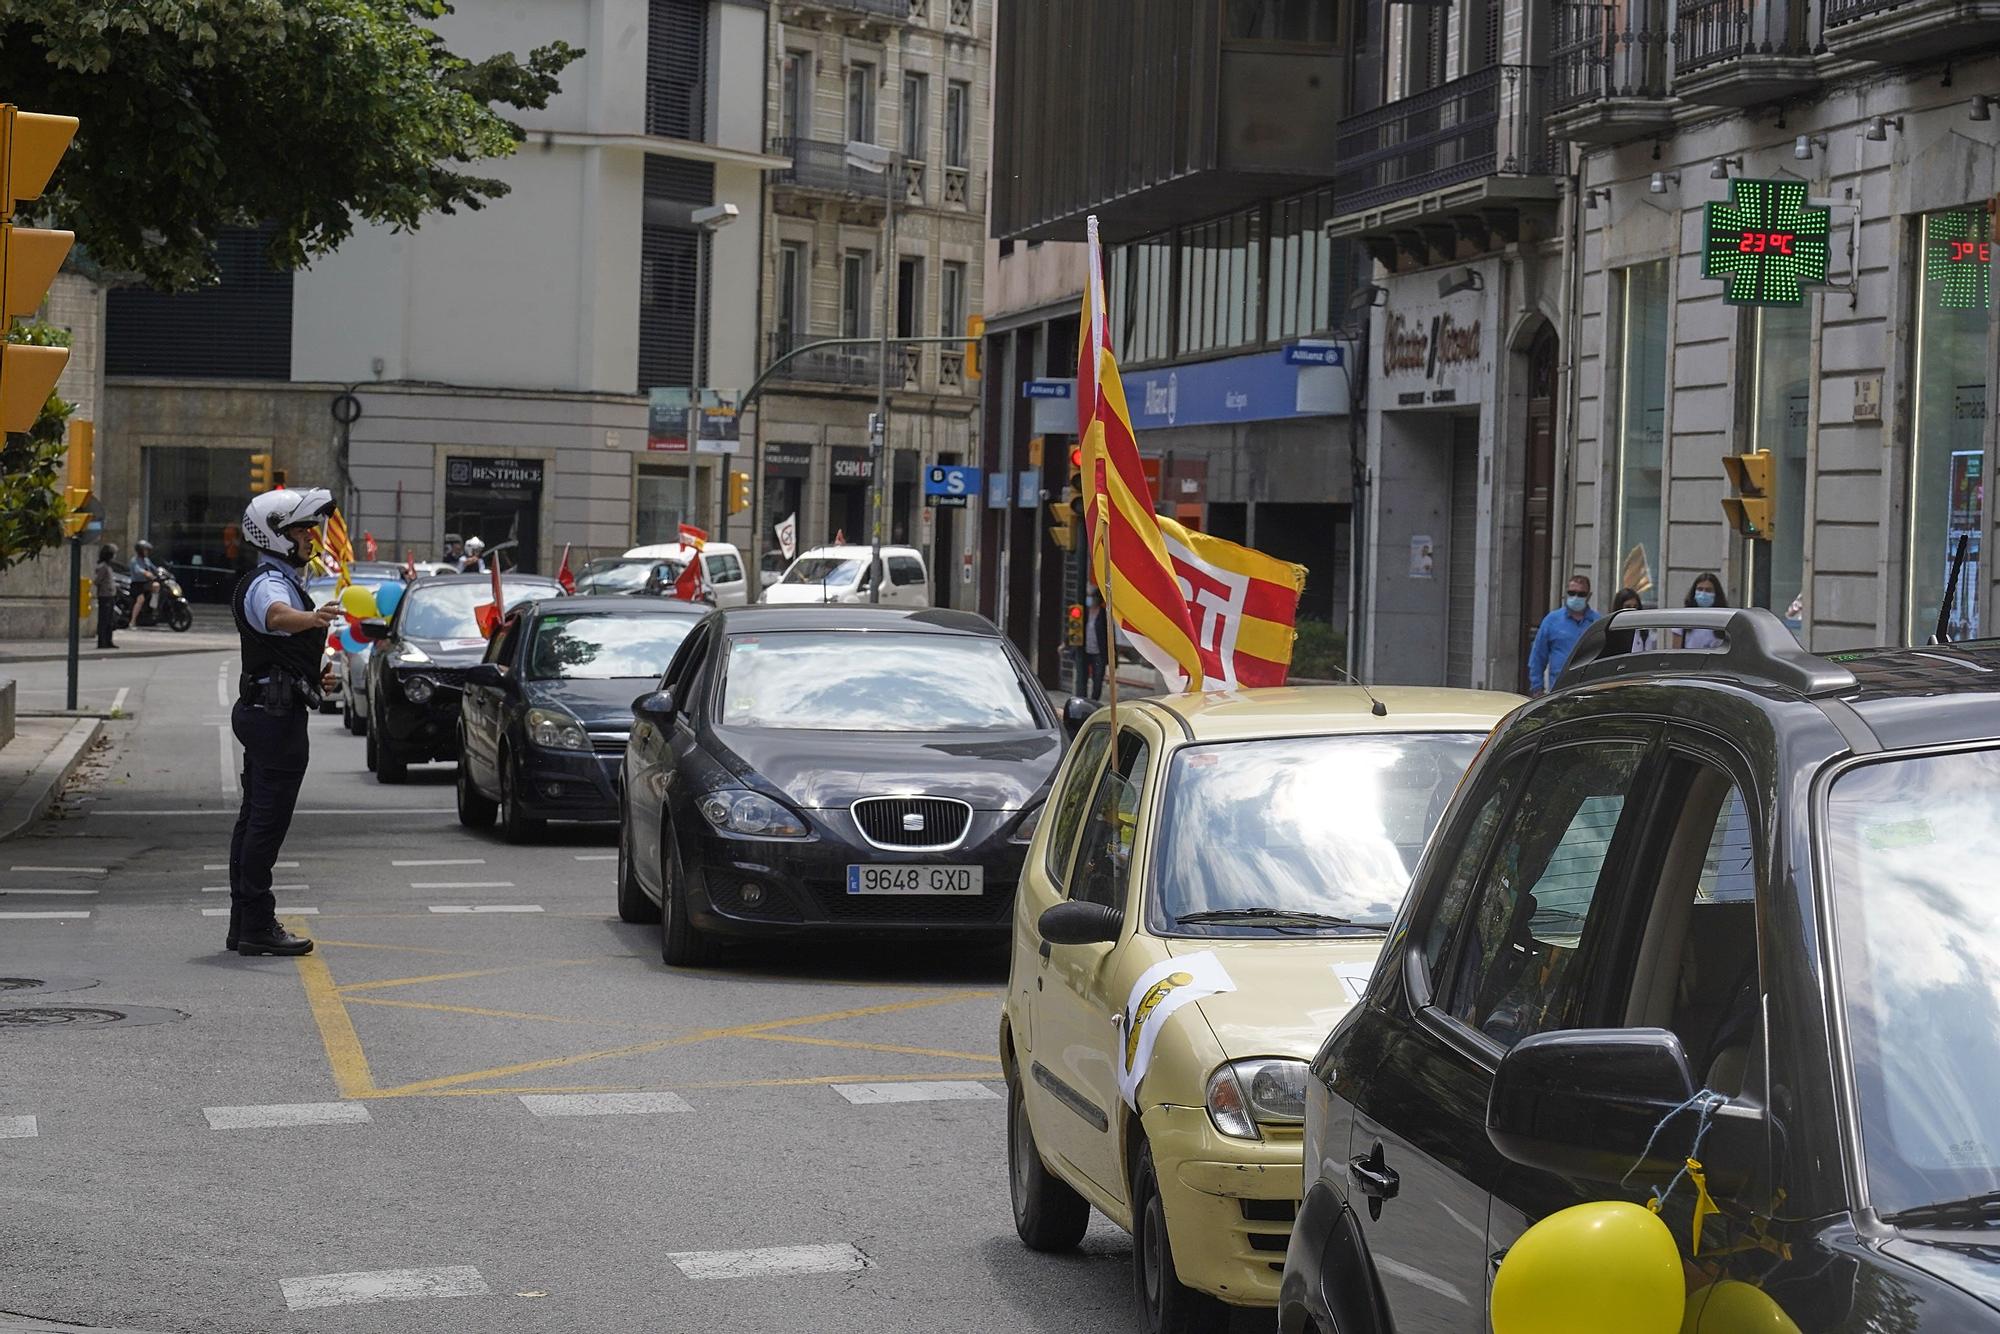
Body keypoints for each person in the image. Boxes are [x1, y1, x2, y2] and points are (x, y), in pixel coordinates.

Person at [227, 487, 341, 958]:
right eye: (299, 530)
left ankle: (243, 923)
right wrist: (312, 619)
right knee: (266, 824)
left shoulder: (279, 578)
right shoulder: (268, 585)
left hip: (271, 710)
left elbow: (281, 640)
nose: (309, 538)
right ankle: (256, 922)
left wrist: (315, 671)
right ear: (274, 536)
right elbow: (277, 618)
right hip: (272, 719)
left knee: (255, 819)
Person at [1526, 574, 1600, 695]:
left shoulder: (1597, 622)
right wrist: (1537, 688)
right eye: (1572, 593)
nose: (1576, 597)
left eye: (1581, 594)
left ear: (1589, 596)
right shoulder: (1552, 620)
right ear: (1566, 593)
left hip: (1588, 690)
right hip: (1558, 690)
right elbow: (1538, 656)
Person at [1681, 572, 1729, 649]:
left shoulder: (1725, 619)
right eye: (1700, 589)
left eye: (1708, 590)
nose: (1703, 593)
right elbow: (1676, 652)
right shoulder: (1683, 618)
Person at [126, 538, 161, 628]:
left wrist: (160, 571)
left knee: (157, 586)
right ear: (140, 551)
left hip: (146, 584)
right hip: (137, 584)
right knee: (140, 600)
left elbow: (154, 568)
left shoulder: (146, 560)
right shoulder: (134, 560)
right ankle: (132, 621)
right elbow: (138, 570)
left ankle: (153, 606)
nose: (146, 552)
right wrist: (145, 573)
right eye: (145, 550)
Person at [1082, 589, 1109, 700]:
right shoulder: (1086, 612)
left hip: (1098, 652)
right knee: (1083, 676)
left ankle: (1093, 700)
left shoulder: (1103, 614)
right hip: (1085, 650)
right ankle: (1083, 698)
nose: (1091, 600)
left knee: (1097, 679)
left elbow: (1108, 635)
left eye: (1093, 598)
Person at [1602, 587, 1645, 655]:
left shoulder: (1644, 631)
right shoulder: (1609, 632)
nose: (1632, 610)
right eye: (1628, 607)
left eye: (1635, 606)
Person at [92, 544, 120, 649]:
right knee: (104, 620)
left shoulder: (108, 567)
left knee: (109, 620)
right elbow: (97, 580)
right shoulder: (103, 567)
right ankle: (102, 641)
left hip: (110, 595)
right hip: (105, 595)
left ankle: (108, 641)